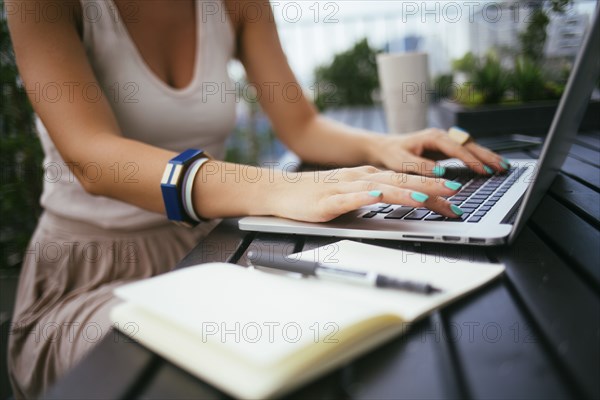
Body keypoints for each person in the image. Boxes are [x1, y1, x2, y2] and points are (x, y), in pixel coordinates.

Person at [6, 0, 509, 398]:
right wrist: (281, 187)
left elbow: (302, 125)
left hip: (214, 250)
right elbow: (93, 159)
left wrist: (383, 147)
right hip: (92, 273)